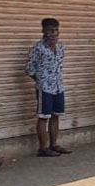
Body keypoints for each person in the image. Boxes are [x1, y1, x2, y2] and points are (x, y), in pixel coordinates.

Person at [26, 18, 69, 157]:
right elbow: (29, 69)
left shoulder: (60, 46)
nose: (54, 33)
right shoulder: (38, 48)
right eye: (51, 31)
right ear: (44, 31)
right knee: (43, 116)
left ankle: (54, 144)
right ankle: (43, 148)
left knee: (56, 115)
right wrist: (40, 80)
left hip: (58, 86)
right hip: (44, 88)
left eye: (56, 30)